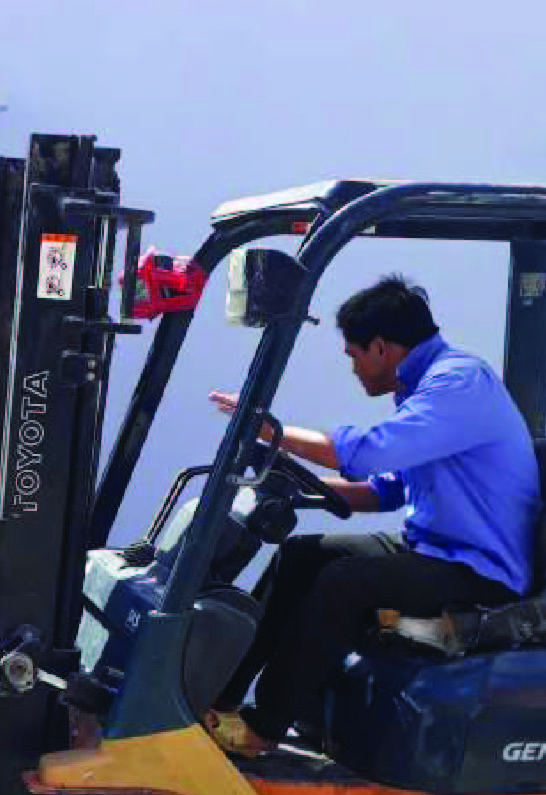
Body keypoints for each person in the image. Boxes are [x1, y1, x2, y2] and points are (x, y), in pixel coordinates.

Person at [206, 275, 542, 756]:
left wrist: (268, 431)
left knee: (345, 583)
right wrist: (297, 489)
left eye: (354, 356)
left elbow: (364, 455)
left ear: (381, 347)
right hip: (436, 549)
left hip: (480, 570)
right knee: (301, 555)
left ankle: (263, 728)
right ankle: (219, 695)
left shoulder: (458, 384)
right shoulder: (426, 387)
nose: (353, 369)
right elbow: (386, 491)